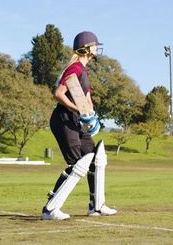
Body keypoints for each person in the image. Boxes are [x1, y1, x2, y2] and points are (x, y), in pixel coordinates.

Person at [41, 31, 117, 220]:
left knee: (95, 158)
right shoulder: (74, 67)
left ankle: (96, 205)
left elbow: (87, 100)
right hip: (63, 118)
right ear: (87, 48)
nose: (97, 48)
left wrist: (91, 117)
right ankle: (50, 209)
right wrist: (78, 110)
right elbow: (59, 93)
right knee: (77, 164)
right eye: (94, 45)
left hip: (75, 119)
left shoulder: (83, 70)